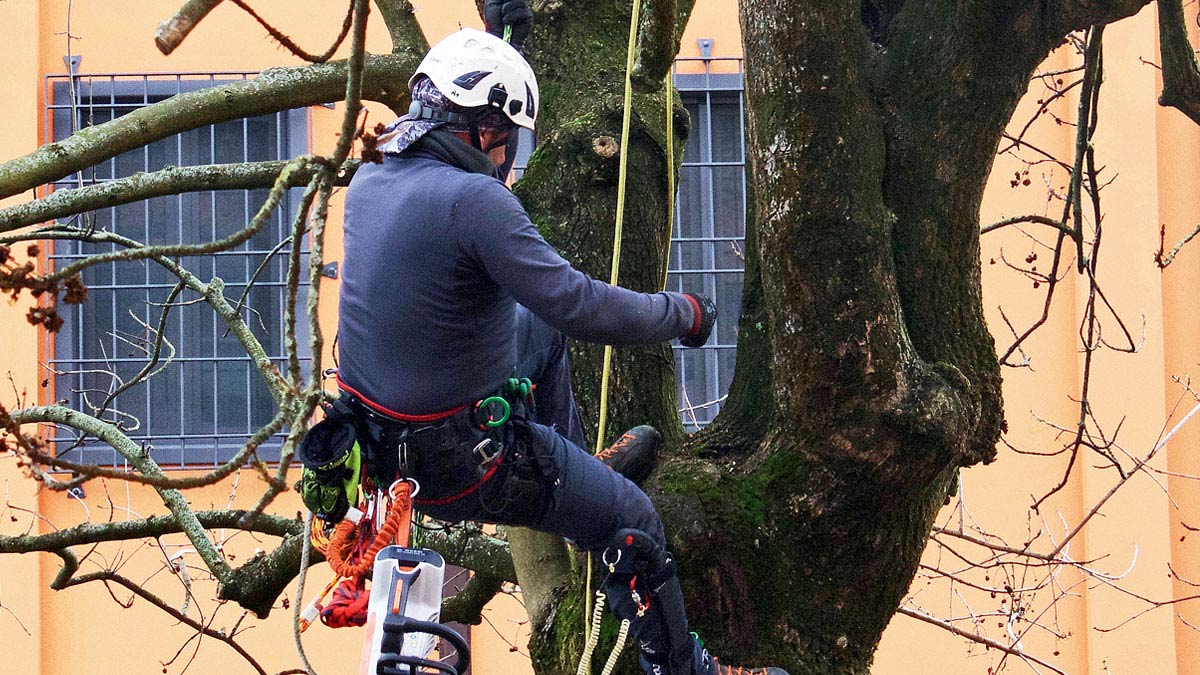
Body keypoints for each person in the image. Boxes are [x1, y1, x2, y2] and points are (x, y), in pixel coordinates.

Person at [333, 9, 789, 675]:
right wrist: (680, 313)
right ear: (483, 126)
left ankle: (580, 463)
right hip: (470, 459)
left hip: (381, 451)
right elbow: (579, 303)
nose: (509, 152)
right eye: (507, 135)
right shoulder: (473, 201)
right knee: (630, 516)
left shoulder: (372, 176)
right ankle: (688, 668)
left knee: (531, 322)